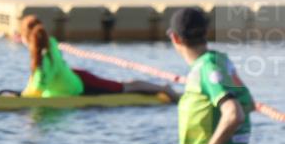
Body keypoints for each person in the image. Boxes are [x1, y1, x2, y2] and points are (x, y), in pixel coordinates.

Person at [167, 8, 253, 144]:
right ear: (206, 32)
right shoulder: (221, 62)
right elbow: (249, 103)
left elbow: (234, 114)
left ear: (175, 38)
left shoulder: (206, 68)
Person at [19, 15, 173, 98]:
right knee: (124, 85)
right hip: (75, 77)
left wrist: (20, 99)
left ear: (27, 39)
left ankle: (163, 88)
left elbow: (38, 86)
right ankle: (160, 87)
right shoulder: (50, 44)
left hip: (78, 86)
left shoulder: (43, 59)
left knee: (125, 87)